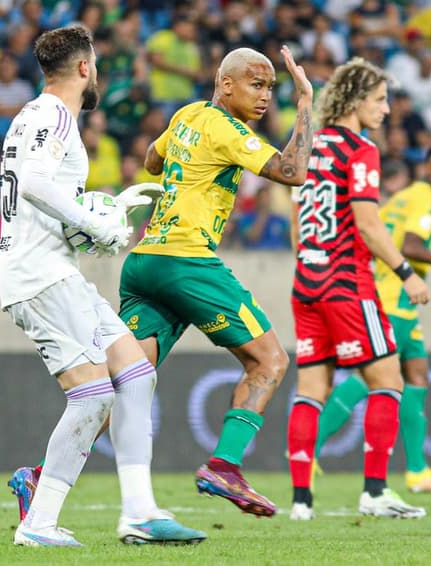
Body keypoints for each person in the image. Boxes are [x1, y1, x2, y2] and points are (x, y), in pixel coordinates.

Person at [0, 25, 204, 547]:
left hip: (57, 270)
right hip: (39, 277)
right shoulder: (52, 115)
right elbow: (39, 185)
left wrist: (104, 210)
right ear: (85, 68)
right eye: (97, 65)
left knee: (134, 373)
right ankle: (39, 524)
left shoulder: (35, 116)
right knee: (90, 396)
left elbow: (45, 199)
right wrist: (95, 225)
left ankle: (139, 511)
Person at [118, 45, 314, 517]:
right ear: (226, 84)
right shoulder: (228, 128)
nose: (266, 95)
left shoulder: (188, 114)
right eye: (256, 83)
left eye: (272, 87)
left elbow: (151, 159)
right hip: (186, 262)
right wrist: (306, 104)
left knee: (123, 384)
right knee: (269, 361)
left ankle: (42, 477)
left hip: (144, 261)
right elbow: (294, 171)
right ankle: (225, 466)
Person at [285, 57, 428, 522]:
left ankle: (302, 502)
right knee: (389, 380)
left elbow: (295, 225)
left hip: (306, 282)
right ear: (357, 100)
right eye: (380, 100)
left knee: (311, 390)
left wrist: (311, 265)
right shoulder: (360, 150)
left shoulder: (306, 146)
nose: (387, 110)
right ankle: (375, 492)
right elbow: (368, 221)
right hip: (348, 284)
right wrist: (406, 271)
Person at [309, 145, 431, 501]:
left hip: (395, 299)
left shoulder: (407, 196)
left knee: (417, 376)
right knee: (369, 378)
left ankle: (417, 470)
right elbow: (411, 247)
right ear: (428, 168)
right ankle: (308, 447)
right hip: (392, 300)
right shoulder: (426, 199)